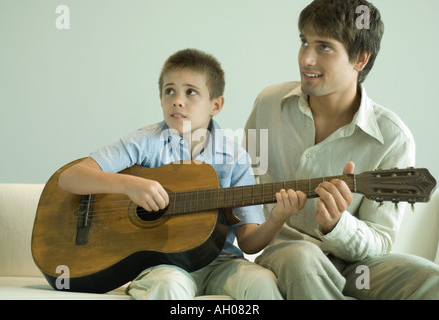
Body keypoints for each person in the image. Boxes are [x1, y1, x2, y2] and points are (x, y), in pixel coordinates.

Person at [58, 48, 303, 299]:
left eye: (191, 92)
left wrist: (277, 218)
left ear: (215, 105)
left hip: (222, 262)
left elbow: (249, 242)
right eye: (169, 91)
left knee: (262, 282)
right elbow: (70, 177)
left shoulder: (235, 158)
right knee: (169, 287)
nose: (177, 100)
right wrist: (129, 185)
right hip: (163, 265)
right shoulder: (145, 142)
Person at [244, 0, 439, 299]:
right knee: (303, 258)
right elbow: (239, 183)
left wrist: (338, 225)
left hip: (356, 269)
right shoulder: (269, 104)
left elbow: (381, 239)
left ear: (360, 59)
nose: (306, 58)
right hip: (283, 253)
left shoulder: (393, 138)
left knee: (430, 278)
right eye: (304, 42)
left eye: (323, 47)